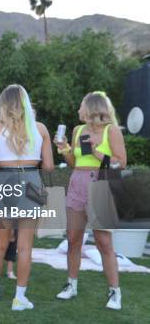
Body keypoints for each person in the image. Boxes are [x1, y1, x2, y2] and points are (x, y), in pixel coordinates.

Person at [54, 91, 126, 310]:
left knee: (104, 243)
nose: (78, 110)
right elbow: (75, 163)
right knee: (73, 240)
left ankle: (115, 293)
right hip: (77, 183)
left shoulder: (110, 131)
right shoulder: (77, 130)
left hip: (100, 184)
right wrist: (65, 149)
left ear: (92, 109)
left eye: (81, 106)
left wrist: (95, 150)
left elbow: (120, 163)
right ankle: (71, 285)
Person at [0, 84, 53, 311]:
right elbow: (50, 166)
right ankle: (19, 298)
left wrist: (0, 163)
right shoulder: (40, 129)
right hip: (31, 181)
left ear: (3, 104)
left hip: (4, 181)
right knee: (25, 247)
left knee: (0, 244)